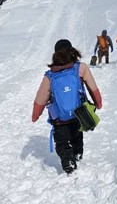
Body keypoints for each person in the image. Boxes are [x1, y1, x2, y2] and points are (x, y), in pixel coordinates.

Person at [31, 39, 103, 175]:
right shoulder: (81, 68)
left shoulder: (50, 75)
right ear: (72, 51)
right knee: (77, 136)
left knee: (62, 142)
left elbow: (41, 99)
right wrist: (98, 103)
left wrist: (35, 115)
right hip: (78, 114)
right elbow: (93, 88)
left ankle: (68, 161)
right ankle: (77, 155)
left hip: (59, 118)